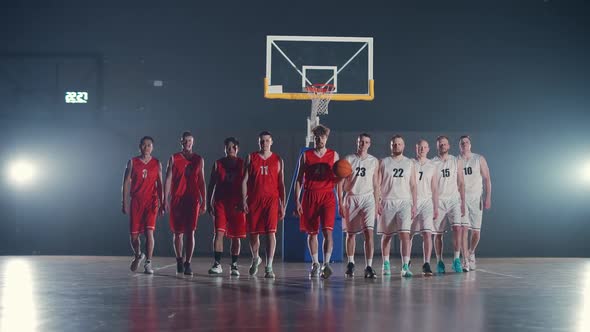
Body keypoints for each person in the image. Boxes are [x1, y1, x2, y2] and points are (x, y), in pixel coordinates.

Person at [295, 124, 340, 279]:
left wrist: (340, 198)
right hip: (310, 196)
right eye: (316, 137)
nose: (319, 139)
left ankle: (326, 264)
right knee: (312, 233)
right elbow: (299, 180)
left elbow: (338, 179)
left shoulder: (334, 155)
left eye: (322, 137)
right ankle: (315, 263)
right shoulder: (306, 156)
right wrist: (297, 201)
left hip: (327, 195)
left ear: (326, 138)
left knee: (328, 231)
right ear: (314, 138)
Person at [241, 131, 286, 278]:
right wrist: (244, 199)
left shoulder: (278, 159)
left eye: (267, 140)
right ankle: (255, 258)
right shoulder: (251, 157)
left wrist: (282, 204)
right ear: (258, 142)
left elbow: (281, 184)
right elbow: (244, 181)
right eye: (262, 141)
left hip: (271, 201)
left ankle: (269, 266)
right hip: (254, 200)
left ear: (271, 142)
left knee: (270, 233)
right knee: (253, 235)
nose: (264, 143)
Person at [164, 131, 206, 276]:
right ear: (181, 142)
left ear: (193, 142)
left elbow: (201, 181)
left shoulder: (199, 159)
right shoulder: (174, 158)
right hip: (177, 198)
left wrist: (204, 200)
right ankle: (179, 260)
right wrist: (165, 199)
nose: (188, 143)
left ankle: (188, 262)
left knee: (191, 232)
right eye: (185, 141)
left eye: (190, 141)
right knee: (177, 233)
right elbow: (168, 179)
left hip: (192, 199)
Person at [337, 133, 379, 278]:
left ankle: (369, 266)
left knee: (369, 233)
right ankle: (351, 263)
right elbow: (340, 182)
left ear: (369, 144)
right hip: (351, 198)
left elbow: (376, 184)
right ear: (357, 142)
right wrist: (340, 202)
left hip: (368, 199)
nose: (363, 144)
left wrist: (377, 202)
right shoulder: (349, 159)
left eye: (366, 142)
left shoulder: (374, 161)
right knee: (350, 234)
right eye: (361, 141)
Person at [121, 136, 164, 274]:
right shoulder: (133, 162)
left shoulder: (157, 163)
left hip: (151, 202)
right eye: (144, 145)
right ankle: (139, 254)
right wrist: (124, 201)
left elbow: (160, 185)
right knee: (134, 236)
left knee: (149, 232)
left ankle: (148, 263)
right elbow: (126, 182)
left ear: (153, 147)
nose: (146, 147)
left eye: (149, 145)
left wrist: (162, 203)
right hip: (136, 202)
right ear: (140, 146)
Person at [377, 135, 417, 278]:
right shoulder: (384, 162)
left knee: (405, 235)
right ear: (391, 146)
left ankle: (405, 266)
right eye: (394, 144)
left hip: (405, 202)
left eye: (399, 144)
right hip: (388, 201)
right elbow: (377, 184)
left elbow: (413, 185)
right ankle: (385, 264)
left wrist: (415, 205)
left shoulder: (409, 163)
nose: (397, 146)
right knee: (386, 236)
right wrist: (377, 202)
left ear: (403, 146)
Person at [206, 137, 246, 276]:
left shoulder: (243, 164)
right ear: (224, 149)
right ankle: (217, 264)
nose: (230, 150)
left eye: (232, 147)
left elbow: (248, 184)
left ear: (237, 149)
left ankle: (234, 265)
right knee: (218, 233)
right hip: (221, 202)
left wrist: (245, 201)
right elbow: (211, 184)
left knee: (236, 237)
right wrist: (208, 202)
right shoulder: (218, 164)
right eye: (227, 148)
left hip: (236, 204)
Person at [432, 135, 466, 273]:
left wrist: (463, 202)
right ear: (437, 146)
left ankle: (457, 259)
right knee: (438, 233)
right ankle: (439, 261)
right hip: (439, 201)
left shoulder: (455, 160)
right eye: (440, 144)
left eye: (445, 144)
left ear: (449, 146)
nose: (443, 146)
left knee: (457, 229)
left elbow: (461, 183)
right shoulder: (433, 163)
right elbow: (432, 186)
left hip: (453, 200)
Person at [458, 135, 492, 271]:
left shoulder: (479, 159)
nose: (465, 144)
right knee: (463, 229)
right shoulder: (456, 160)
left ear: (470, 145)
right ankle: (465, 259)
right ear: (459, 146)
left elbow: (487, 179)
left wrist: (488, 197)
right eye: (462, 143)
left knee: (476, 232)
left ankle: (471, 252)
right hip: (461, 198)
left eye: (467, 142)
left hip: (476, 198)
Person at [410, 139, 439, 276]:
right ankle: (406, 260)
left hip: (427, 202)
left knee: (427, 233)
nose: (422, 149)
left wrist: (436, 207)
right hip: (411, 201)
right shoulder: (410, 163)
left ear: (428, 149)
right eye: (420, 147)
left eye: (424, 147)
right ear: (416, 148)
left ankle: (426, 263)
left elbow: (434, 188)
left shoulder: (432, 166)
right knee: (408, 234)